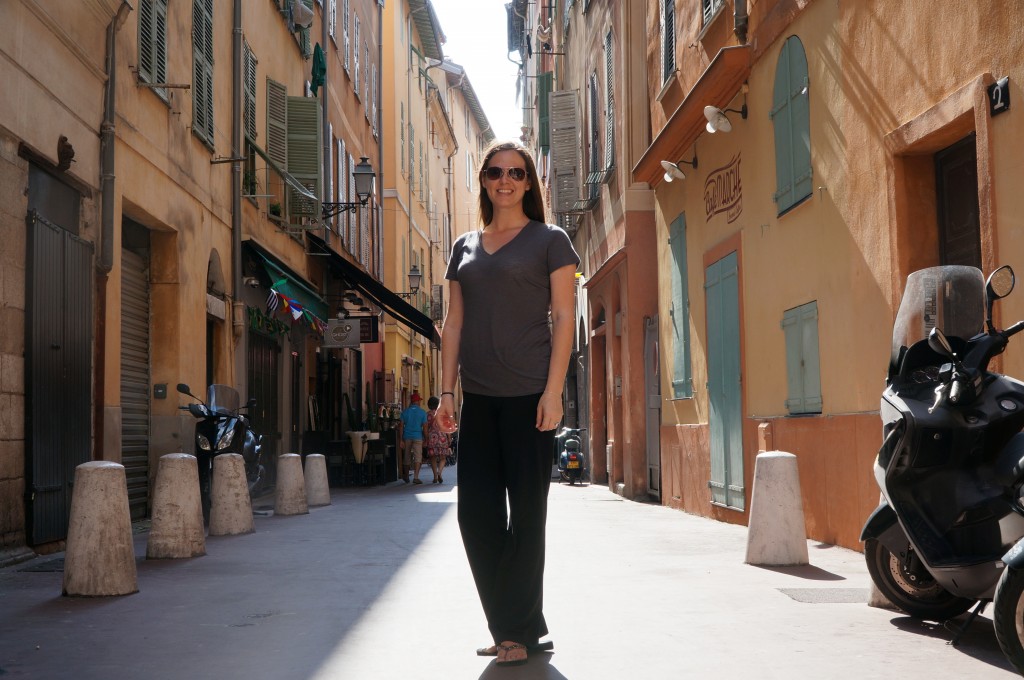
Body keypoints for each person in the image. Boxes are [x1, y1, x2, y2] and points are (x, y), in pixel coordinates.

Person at [437, 140, 579, 667]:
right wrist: (446, 391)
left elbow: (563, 318)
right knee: (475, 518)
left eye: (516, 173)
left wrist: (553, 391)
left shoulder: (551, 241)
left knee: (527, 518)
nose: (505, 180)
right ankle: (515, 625)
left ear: (527, 183)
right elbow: (454, 323)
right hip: (478, 398)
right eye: (495, 172)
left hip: (528, 399)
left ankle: (515, 632)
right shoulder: (464, 246)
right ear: (483, 179)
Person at [398, 392, 428, 484]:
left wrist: (401, 439)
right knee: (418, 457)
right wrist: (426, 439)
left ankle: (406, 476)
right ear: (417, 401)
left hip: (407, 437)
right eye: (419, 400)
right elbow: (425, 427)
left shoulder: (405, 412)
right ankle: (416, 477)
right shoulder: (422, 413)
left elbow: (401, 426)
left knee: (406, 456)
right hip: (418, 436)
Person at [424, 396, 451, 484]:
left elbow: (425, 427)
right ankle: (440, 473)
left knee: (433, 458)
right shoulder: (443, 413)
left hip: (432, 437)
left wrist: (426, 438)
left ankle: (435, 476)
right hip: (442, 437)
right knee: (443, 458)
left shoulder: (427, 414)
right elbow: (447, 427)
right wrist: (449, 438)